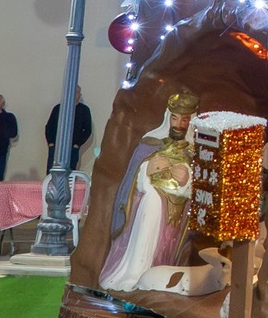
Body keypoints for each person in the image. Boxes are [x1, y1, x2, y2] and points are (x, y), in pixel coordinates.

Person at [98, 89, 200, 292]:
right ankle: (136, 272)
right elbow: (132, 181)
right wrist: (147, 168)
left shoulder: (197, 149)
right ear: (168, 117)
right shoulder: (150, 142)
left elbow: (201, 186)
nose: (179, 124)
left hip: (177, 215)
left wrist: (188, 180)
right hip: (148, 205)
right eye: (175, 118)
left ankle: (160, 274)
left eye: (185, 120)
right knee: (151, 201)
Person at [45, 87, 94, 172]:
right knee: (52, 171)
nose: (75, 94)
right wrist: (51, 143)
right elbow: (49, 126)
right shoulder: (58, 108)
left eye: (77, 92)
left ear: (80, 95)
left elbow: (87, 129)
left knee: (69, 172)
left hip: (73, 147)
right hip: (56, 146)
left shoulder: (84, 110)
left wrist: (77, 144)